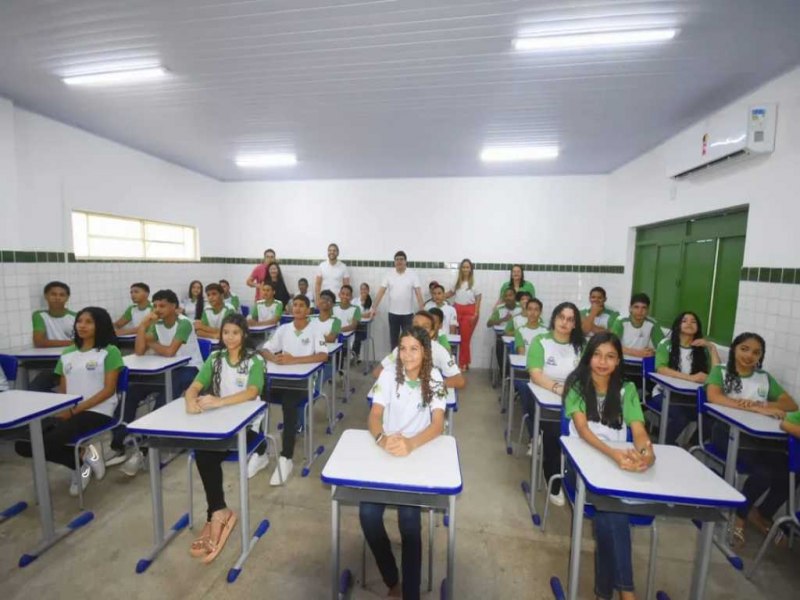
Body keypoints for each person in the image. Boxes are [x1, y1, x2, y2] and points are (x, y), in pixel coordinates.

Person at [563, 332, 655, 600]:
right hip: (579, 465)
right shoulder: (577, 385)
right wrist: (614, 455)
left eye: (610, 356)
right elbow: (583, 430)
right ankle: (627, 593)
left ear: (618, 362)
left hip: (616, 468)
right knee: (613, 509)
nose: (603, 362)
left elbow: (639, 430)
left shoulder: (627, 390)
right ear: (589, 357)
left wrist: (646, 454)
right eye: (597, 355)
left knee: (609, 513)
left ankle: (605, 594)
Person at [361, 325, 448, 600]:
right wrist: (382, 439)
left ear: (425, 352)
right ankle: (391, 579)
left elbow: (437, 425)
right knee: (368, 515)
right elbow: (374, 416)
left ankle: (411, 593)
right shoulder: (388, 375)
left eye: (414, 349)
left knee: (409, 522)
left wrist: (410, 444)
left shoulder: (434, 378)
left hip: (417, 451)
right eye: (403, 348)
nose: (407, 355)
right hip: (386, 450)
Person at [184, 314, 266, 562]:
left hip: (247, 424)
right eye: (226, 332)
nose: (229, 337)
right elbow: (196, 384)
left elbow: (252, 392)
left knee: (205, 454)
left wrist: (219, 401)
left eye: (235, 333)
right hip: (219, 423)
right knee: (204, 451)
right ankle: (218, 510)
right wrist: (190, 399)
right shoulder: (215, 357)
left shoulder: (255, 360)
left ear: (244, 335)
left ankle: (216, 513)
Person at [16, 307, 123, 496]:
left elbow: (108, 390)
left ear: (101, 325)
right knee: (23, 444)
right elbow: (64, 390)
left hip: (100, 410)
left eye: (89, 322)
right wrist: (64, 409)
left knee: (49, 441)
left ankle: (81, 464)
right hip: (70, 409)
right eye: (79, 321)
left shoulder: (109, 351)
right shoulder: (67, 352)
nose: (82, 325)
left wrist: (75, 411)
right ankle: (83, 458)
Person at [706, 332, 798, 548]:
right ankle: (739, 515)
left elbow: (790, 405)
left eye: (756, 352)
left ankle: (760, 512)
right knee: (763, 471)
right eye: (744, 349)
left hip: (758, 438)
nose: (749, 356)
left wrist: (767, 406)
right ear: (735, 349)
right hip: (726, 433)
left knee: (790, 472)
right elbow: (714, 397)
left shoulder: (764, 377)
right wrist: (754, 407)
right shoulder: (721, 371)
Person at [108, 289, 203, 473]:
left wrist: (150, 341)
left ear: (174, 307)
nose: (158, 309)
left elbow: (169, 351)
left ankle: (145, 447)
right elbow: (139, 352)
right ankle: (119, 442)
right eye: (156, 305)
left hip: (190, 367)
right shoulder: (156, 324)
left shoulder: (184, 323)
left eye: (163, 306)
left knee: (166, 393)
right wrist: (143, 327)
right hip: (164, 367)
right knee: (133, 391)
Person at [259, 295, 328, 485]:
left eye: (302, 306)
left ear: (308, 310)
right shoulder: (283, 329)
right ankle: (259, 451)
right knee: (257, 398)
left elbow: (323, 356)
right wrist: (274, 359)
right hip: (280, 380)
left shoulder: (315, 330)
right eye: (294, 305)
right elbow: (265, 349)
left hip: (302, 383)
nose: (297, 309)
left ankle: (286, 456)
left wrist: (294, 360)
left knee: (289, 405)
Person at [522, 301, 585, 505]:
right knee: (554, 431)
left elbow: (586, 376)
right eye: (561, 317)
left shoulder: (580, 347)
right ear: (554, 319)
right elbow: (536, 374)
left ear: (575, 324)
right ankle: (553, 478)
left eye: (570, 319)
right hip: (542, 399)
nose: (565, 323)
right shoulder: (541, 341)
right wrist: (559, 389)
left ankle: (577, 477)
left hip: (573, 400)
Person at [653, 311, 720, 445]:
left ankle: (691, 446)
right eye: (685, 321)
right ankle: (664, 445)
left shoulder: (702, 349)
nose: (689, 323)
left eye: (693, 321)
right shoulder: (666, 344)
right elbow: (661, 369)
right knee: (681, 417)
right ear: (678, 325)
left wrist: (711, 347)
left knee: (712, 419)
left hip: (690, 398)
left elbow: (716, 375)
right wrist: (691, 378)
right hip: (664, 394)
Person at [371, 251, 424, 351]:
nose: (399, 261)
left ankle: (406, 364)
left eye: (401, 259)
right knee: (394, 341)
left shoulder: (412, 275)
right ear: (394, 262)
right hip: (393, 314)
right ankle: (394, 364)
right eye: (397, 259)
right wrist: (373, 308)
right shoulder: (389, 275)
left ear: (405, 261)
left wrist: (422, 310)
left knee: (408, 341)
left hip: (408, 315)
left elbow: (418, 293)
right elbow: (381, 292)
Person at [29, 280, 77, 391]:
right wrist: (71, 343)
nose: (57, 298)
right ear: (46, 296)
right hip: (49, 360)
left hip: (71, 360)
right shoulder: (39, 316)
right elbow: (39, 342)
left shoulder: (76, 317)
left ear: (67, 298)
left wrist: (50, 342)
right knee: (39, 383)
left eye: (62, 295)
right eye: (53, 294)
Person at [447, 258, 481, 371]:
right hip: (457, 310)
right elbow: (450, 293)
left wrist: (476, 313)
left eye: (467, 267)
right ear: (461, 269)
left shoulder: (475, 283)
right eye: (463, 267)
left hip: (470, 312)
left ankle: (463, 364)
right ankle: (463, 362)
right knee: (457, 339)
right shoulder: (457, 282)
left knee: (465, 339)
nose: (465, 269)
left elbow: (478, 298)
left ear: (471, 269)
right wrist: (439, 296)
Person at [487, 287, 522, 373]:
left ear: (515, 296)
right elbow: (489, 323)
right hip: (503, 337)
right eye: (505, 296)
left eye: (510, 295)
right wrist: (503, 319)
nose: (508, 298)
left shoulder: (521, 308)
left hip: (518, 337)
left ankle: (517, 373)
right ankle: (505, 374)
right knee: (499, 344)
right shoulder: (500, 308)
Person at [352, 283, 373, 363]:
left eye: (365, 289)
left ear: (368, 291)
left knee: (357, 337)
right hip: (354, 324)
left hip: (364, 326)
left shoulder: (371, 302)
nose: (363, 291)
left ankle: (355, 353)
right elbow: (351, 313)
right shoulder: (355, 301)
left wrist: (358, 315)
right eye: (362, 289)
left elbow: (369, 315)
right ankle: (353, 354)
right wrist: (362, 315)